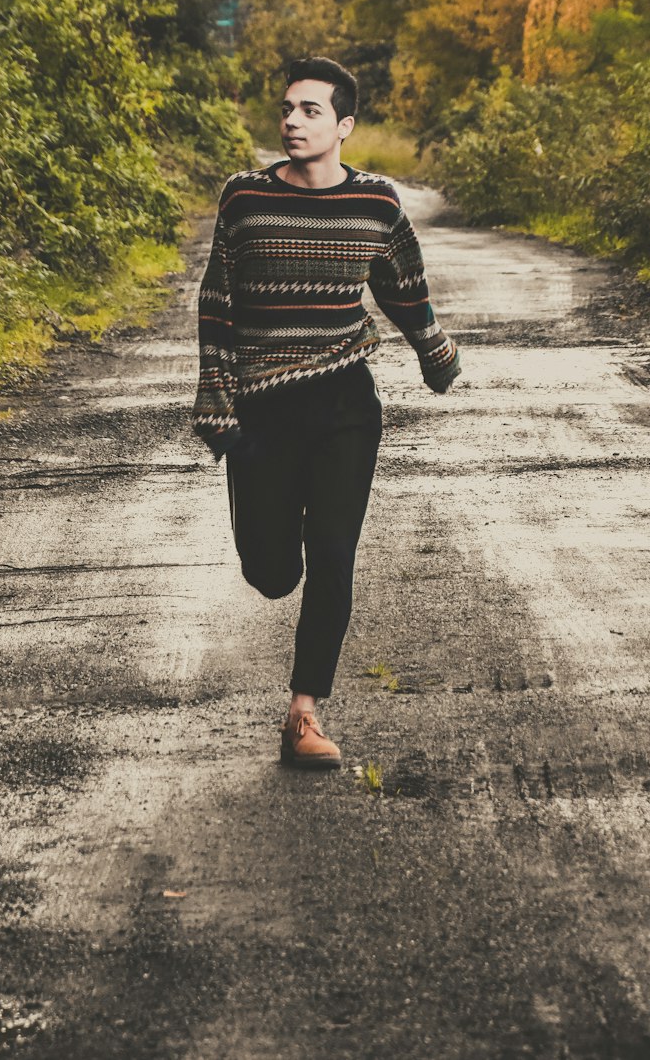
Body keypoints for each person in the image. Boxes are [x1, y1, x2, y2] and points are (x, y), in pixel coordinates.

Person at [192, 57, 461, 768]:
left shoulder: (374, 203)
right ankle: (272, 565)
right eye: (286, 108)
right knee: (272, 570)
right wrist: (216, 399)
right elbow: (217, 305)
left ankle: (303, 716)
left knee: (334, 556)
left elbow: (404, 287)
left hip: (345, 403)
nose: (291, 120)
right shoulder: (244, 199)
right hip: (262, 409)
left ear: (344, 125)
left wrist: (435, 351)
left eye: (310, 110)